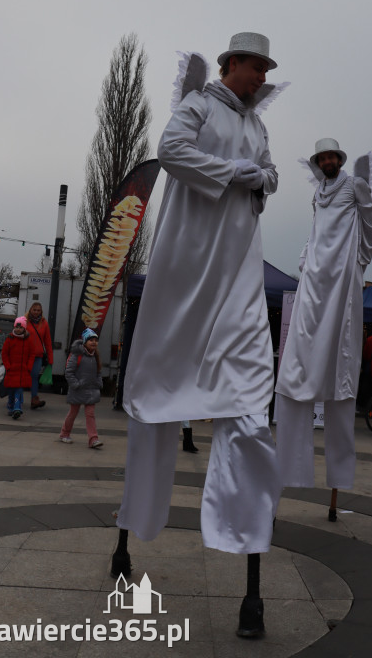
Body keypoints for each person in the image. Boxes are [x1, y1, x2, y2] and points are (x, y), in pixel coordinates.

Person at [115, 33, 287, 637]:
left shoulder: (258, 127)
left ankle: (247, 563)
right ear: (231, 64)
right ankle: (132, 525)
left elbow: (264, 176)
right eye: (254, 66)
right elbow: (171, 150)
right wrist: (232, 172)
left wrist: (261, 178)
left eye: (267, 69)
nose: (260, 77)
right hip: (189, 272)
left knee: (248, 399)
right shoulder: (199, 107)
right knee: (156, 393)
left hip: (239, 274)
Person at [275, 138, 372, 497]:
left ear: (339, 159)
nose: (328, 161)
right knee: (299, 357)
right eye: (323, 157)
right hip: (315, 278)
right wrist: (305, 260)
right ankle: (291, 470)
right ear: (319, 162)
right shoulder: (318, 193)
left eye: (333, 156)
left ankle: (337, 478)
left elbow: (371, 225)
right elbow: (315, 230)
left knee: (340, 356)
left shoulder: (355, 185)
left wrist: (360, 263)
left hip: (342, 278)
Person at [60, 328, 103, 448]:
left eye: (95, 340)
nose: (94, 342)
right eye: (91, 340)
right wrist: (76, 385)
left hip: (92, 390)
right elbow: (69, 372)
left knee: (90, 414)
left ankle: (93, 439)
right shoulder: (76, 355)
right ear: (84, 342)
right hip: (78, 390)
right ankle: (64, 433)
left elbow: (98, 372)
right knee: (73, 412)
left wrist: (99, 383)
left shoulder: (96, 356)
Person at [1, 316, 35, 420]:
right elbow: (4, 353)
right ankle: (11, 406)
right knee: (11, 390)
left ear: (24, 328)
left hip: (23, 371)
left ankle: (17, 408)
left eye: (20, 328)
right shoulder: (10, 339)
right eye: (16, 327)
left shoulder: (28, 340)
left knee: (19, 390)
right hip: (12, 370)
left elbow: (32, 354)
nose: (18, 329)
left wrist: (29, 366)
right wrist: (8, 366)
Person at [25, 302, 53, 409]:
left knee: (34, 377)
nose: (36, 312)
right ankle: (15, 399)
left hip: (37, 356)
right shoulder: (24, 321)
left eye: (38, 310)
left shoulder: (44, 323)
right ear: (30, 310)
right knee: (21, 376)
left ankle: (34, 399)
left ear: (41, 312)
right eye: (34, 310)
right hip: (25, 355)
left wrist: (50, 358)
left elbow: (48, 342)